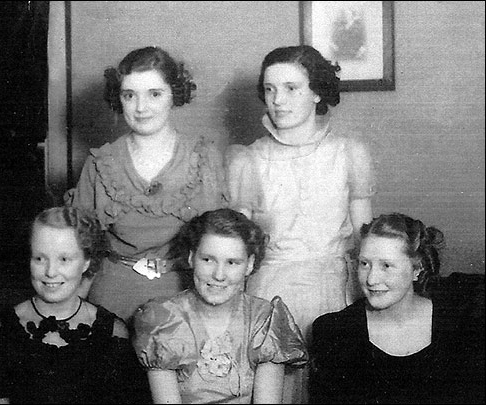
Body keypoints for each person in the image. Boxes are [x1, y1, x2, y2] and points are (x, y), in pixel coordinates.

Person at [226, 45, 376, 402]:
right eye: (269, 89)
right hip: (269, 296)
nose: (278, 100)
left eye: (291, 88)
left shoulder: (348, 154)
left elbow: (366, 241)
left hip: (335, 294)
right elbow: (235, 249)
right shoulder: (247, 160)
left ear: (317, 92)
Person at [65, 46, 228, 323]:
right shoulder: (99, 163)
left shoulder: (204, 157)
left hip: (186, 300)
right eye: (130, 95)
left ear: (174, 95)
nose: (141, 108)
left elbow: (223, 245)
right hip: (112, 299)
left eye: (154, 94)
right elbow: (78, 250)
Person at [0, 206, 152, 404]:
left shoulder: (112, 332)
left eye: (64, 259)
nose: (50, 272)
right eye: (40, 258)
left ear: (86, 262)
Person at [133, 208, 309, 404]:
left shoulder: (264, 320)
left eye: (232, 263)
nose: (219, 275)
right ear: (191, 258)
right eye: (208, 260)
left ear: (249, 265)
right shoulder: (164, 319)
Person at [309, 212, 485, 404]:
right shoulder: (335, 332)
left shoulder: (462, 322)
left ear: (417, 270)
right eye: (364, 264)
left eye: (386, 265)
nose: (371, 279)